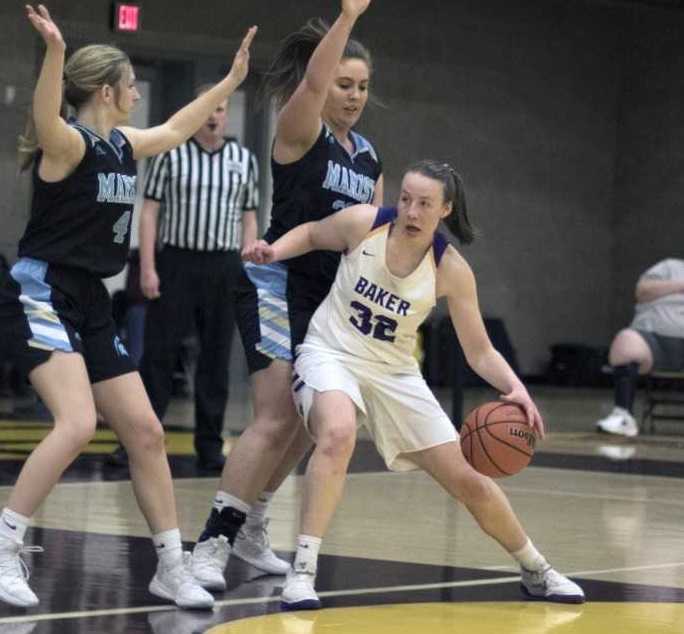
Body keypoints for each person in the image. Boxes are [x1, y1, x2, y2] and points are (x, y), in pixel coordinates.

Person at [0, 4, 255, 608]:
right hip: (43, 290)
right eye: (132, 84)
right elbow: (44, 111)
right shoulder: (68, 143)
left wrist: (229, 83)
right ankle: (6, 544)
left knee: (144, 430)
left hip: (90, 299)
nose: (138, 92)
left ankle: (170, 563)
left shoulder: (123, 143)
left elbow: (173, 131)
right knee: (78, 422)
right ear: (108, 90)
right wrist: (56, 55)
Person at [243, 160, 586, 609]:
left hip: (395, 373)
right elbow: (310, 233)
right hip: (330, 354)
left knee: (469, 478)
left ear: (445, 210)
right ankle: (303, 570)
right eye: (405, 198)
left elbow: (479, 351)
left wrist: (516, 388)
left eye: (424, 203)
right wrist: (274, 249)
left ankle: (536, 568)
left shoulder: (451, 269)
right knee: (338, 433)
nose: (411, 210)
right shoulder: (363, 224)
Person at [190, 0, 383, 590]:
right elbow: (317, 78)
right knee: (274, 416)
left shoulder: (370, 156)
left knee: (304, 423)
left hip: (328, 299)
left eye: (363, 87)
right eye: (344, 83)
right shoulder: (302, 127)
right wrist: (348, 18)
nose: (352, 95)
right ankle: (211, 545)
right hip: (273, 279)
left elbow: (368, 238)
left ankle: (253, 522)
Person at [108, 84, 260, 471]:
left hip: (224, 266)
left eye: (221, 109)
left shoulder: (244, 160)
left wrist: (250, 269)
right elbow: (148, 212)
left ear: (227, 113)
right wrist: (147, 267)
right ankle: (136, 441)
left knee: (215, 360)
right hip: (176, 261)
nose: (213, 116)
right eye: (207, 109)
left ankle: (209, 446)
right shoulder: (169, 154)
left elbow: (248, 218)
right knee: (158, 355)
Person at [596, 258, 684, 437]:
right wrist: (680, 286)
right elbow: (642, 291)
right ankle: (623, 415)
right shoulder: (670, 267)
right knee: (626, 342)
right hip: (653, 340)